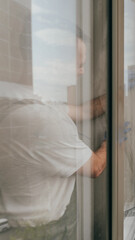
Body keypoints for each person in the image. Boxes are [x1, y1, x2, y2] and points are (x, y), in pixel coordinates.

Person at [0, 32, 107, 239]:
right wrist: (112, 143)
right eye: (78, 63)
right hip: (36, 232)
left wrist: (117, 93)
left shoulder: (13, 96)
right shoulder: (44, 119)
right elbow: (95, 167)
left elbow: (84, 111)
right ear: (49, 61)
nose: (82, 71)